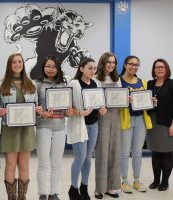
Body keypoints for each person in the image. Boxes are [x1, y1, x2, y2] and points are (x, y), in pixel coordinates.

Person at [0, 53, 42, 200]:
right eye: (14, 62)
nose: (17, 64)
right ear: (10, 65)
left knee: (24, 164)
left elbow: (36, 106)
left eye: (20, 62)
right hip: (9, 130)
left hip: (27, 130)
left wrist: (38, 110)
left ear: (23, 64)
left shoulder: (32, 84)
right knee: (10, 164)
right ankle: (11, 197)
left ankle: (22, 197)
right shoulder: (1, 84)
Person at [67, 57, 107, 200]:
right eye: (89, 68)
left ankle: (84, 187)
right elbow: (68, 109)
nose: (92, 71)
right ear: (81, 68)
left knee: (88, 158)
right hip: (80, 126)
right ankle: (73, 188)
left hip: (94, 125)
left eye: (94, 68)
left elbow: (99, 104)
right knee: (80, 158)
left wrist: (103, 110)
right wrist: (80, 113)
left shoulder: (96, 83)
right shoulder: (74, 84)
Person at [35, 55, 73, 200]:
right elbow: (34, 108)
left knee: (56, 164)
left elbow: (67, 108)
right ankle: (42, 193)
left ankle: (53, 193)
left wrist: (69, 112)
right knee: (43, 163)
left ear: (58, 68)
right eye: (48, 66)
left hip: (60, 127)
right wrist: (42, 114)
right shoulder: (37, 84)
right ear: (43, 68)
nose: (51, 69)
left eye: (53, 66)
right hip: (43, 127)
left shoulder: (64, 85)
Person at [146, 58, 173, 191]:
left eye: (162, 67)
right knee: (155, 153)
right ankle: (156, 180)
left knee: (167, 153)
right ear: (154, 70)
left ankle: (165, 182)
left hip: (167, 124)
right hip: (152, 124)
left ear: (167, 69)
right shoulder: (150, 84)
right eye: (157, 67)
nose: (160, 69)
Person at [119, 55, 152, 194]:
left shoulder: (143, 82)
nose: (134, 67)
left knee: (138, 152)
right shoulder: (118, 82)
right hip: (125, 120)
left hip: (140, 120)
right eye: (131, 64)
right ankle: (124, 181)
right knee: (125, 152)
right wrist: (125, 100)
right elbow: (115, 102)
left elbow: (147, 103)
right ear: (125, 65)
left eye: (137, 64)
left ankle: (137, 180)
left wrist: (152, 102)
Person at [94, 52, 121, 199]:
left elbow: (120, 97)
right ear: (103, 63)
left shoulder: (117, 79)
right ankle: (99, 188)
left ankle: (110, 187)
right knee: (102, 152)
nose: (111, 65)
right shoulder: (95, 78)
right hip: (102, 116)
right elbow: (92, 98)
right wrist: (99, 107)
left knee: (114, 152)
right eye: (108, 62)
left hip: (115, 115)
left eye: (114, 62)